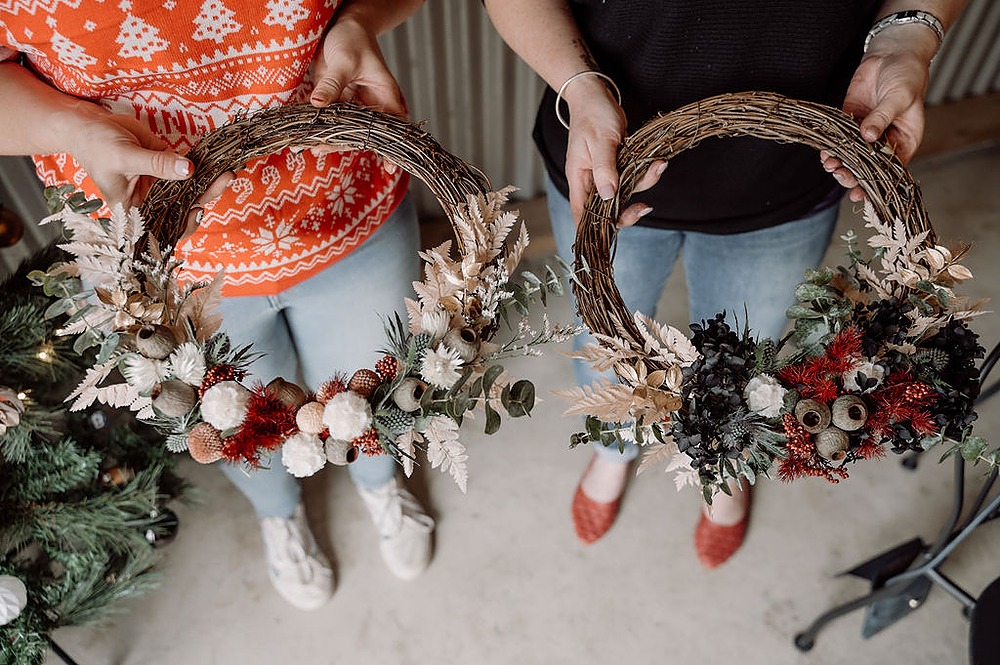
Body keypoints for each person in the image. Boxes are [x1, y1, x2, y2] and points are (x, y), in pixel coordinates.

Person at [483, 0, 969, 567]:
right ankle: (613, 443)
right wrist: (581, 85)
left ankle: (726, 462)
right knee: (604, 338)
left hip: (786, 173)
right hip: (610, 160)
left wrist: (906, 40)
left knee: (749, 351)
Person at [0, 0, 434, 609]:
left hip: (348, 201)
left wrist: (357, 21)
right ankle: (280, 515)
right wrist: (68, 126)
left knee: (379, 389)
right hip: (161, 265)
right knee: (233, 423)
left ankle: (378, 480)